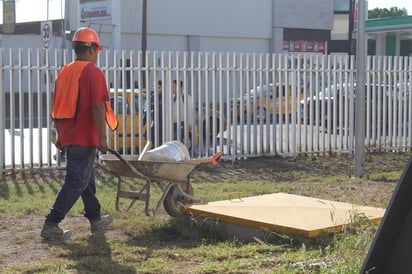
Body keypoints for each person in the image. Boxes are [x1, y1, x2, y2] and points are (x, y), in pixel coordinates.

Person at [41, 27, 118, 240]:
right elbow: (97, 107)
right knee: (76, 181)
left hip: (68, 135)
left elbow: (56, 105)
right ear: (92, 49)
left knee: (87, 180)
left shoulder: (64, 71)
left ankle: (95, 219)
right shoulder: (93, 72)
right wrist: (102, 138)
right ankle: (51, 223)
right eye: (97, 50)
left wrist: (58, 134)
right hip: (84, 137)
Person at [171, 80, 194, 149]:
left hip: (182, 122)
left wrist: (190, 124)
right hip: (173, 123)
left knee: (177, 139)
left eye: (174, 87)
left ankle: (184, 152)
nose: (172, 88)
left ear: (179, 87)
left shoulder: (186, 97)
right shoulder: (172, 97)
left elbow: (189, 111)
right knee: (174, 140)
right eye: (172, 87)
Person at [147, 80, 164, 146]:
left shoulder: (166, 97)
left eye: (158, 87)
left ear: (162, 87)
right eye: (155, 87)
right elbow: (147, 110)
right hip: (154, 123)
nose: (156, 89)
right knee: (152, 139)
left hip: (163, 124)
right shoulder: (152, 97)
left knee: (161, 142)